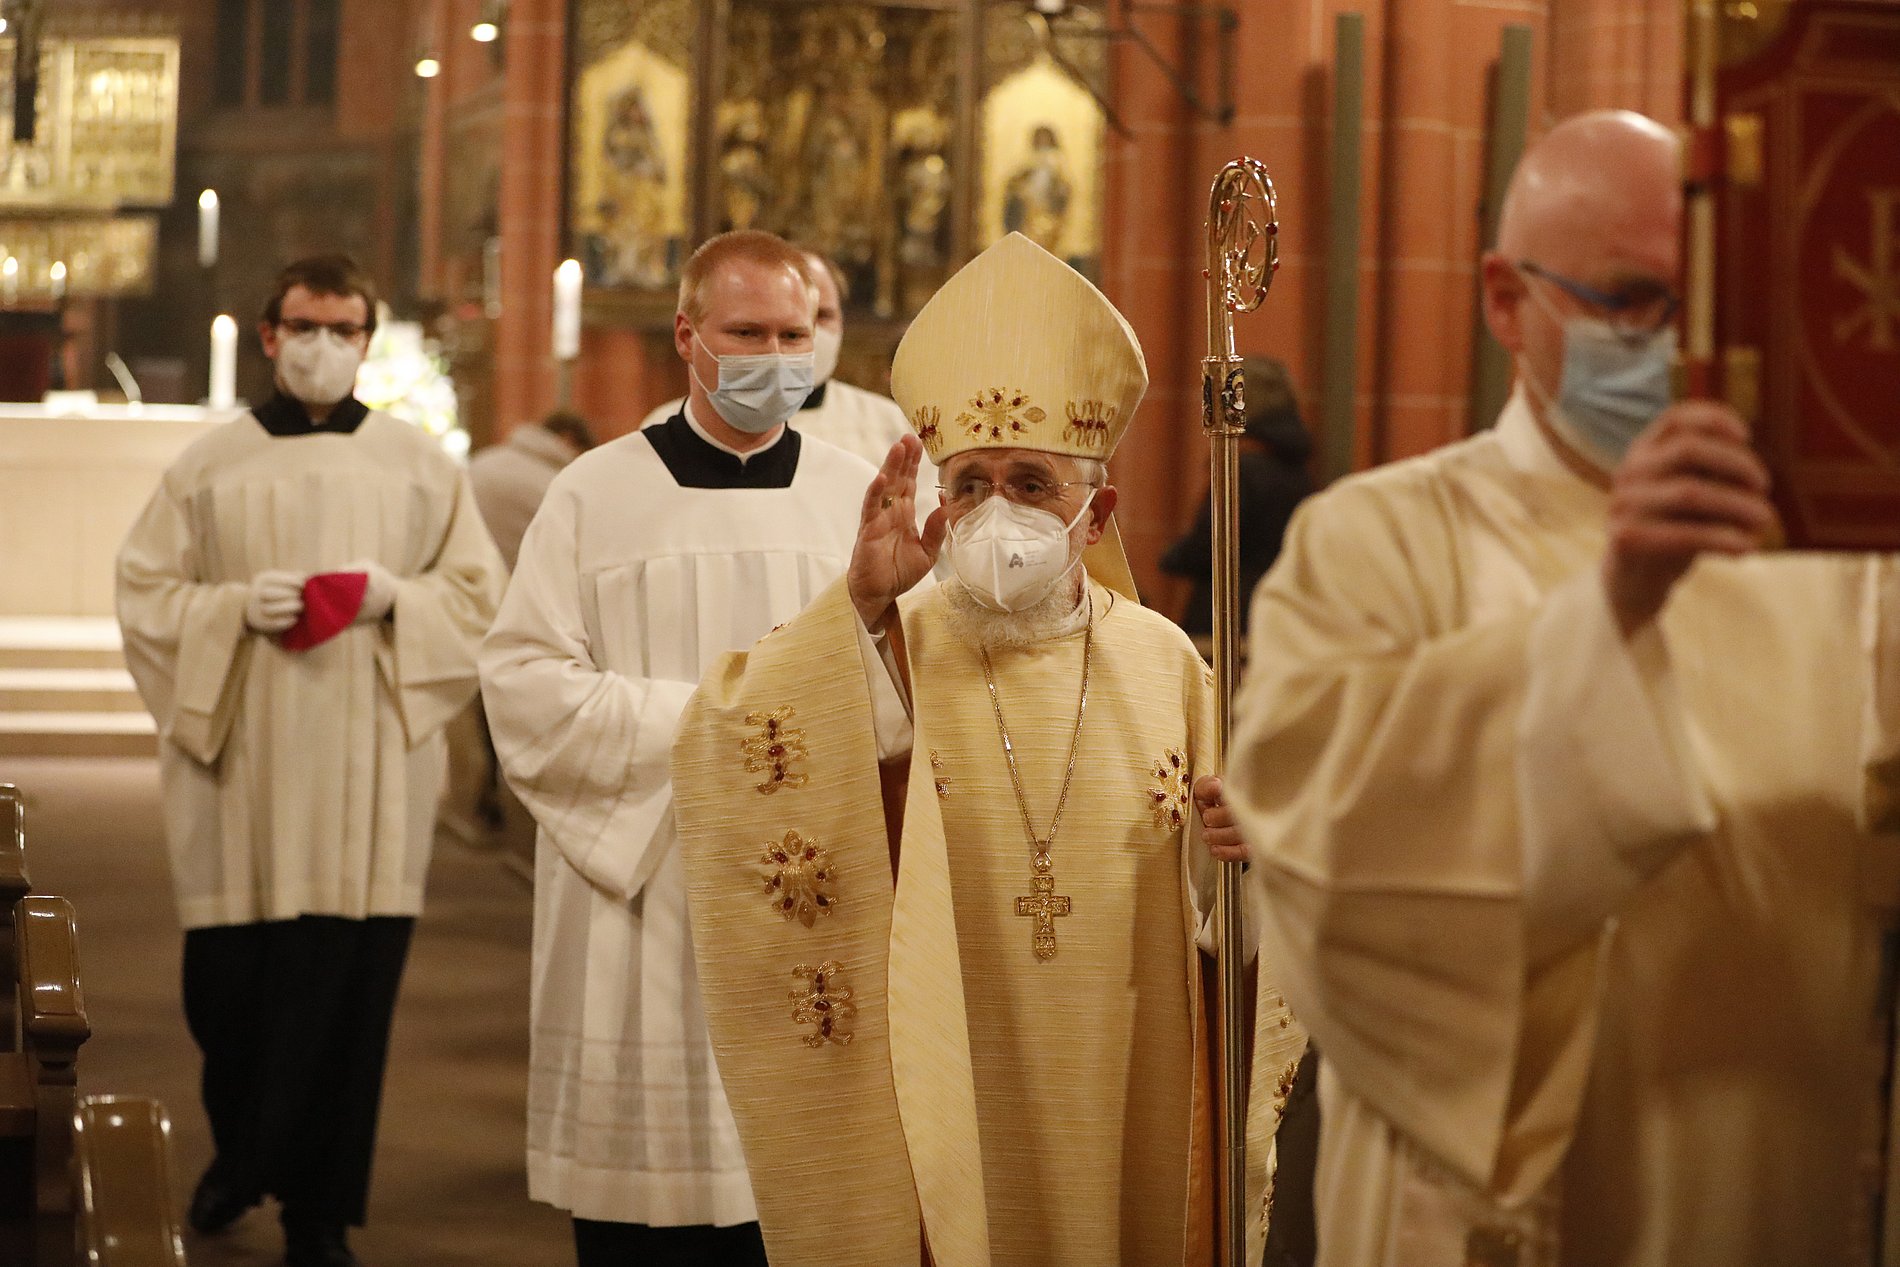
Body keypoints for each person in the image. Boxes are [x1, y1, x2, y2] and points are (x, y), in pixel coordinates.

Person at [1226, 109, 1900, 1266]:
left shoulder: (1840, 558)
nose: (1673, 346)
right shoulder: (1374, 539)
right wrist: (1610, 613)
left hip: (1775, 1177)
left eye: (1702, 309)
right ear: (1502, 297)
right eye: (1631, 303)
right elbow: (1327, 863)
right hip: (1502, 1212)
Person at [667, 233, 1302, 1266]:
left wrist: (1249, 844)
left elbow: (1227, 911)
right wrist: (863, 604)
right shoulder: (889, 646)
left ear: (1093, 510)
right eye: (967, 483)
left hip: (1124, 1067)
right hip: (945, 1064)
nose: (993, 508)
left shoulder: (1165, 665)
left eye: (1029, 480)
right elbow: (729, 744)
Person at [478, 229, 874, 1267]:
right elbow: (522, 684)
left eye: (794, 333)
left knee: (797, 1204)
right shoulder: (594, 493)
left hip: (810, 891)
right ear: (687, 335)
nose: (775, 357)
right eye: (747, 332)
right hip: (644, 889)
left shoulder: (857, 498)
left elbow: (904, 692)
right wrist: (719, 723)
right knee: (643, 1218)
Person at [116, 254, 505, 1267]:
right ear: (269, 334)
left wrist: (395, 597)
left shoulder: (421, 466)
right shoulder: (208, 465)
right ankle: (242, 1153)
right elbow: (147, 597)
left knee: (346, 1002)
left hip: (368, 772)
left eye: (346, 329)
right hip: (241, 764)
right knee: (229, 997)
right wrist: (228, 608)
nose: (326, 346)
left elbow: (479, 601)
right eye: (307, 326)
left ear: (368, 340)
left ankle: (317, 1215)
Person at [639, 250, 938, 517]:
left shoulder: (894, 427)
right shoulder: (667, 428)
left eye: (822, 316)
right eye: (750, 330)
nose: (803, 333)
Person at [1159, 354, 1313, 635]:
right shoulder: (1297, 470)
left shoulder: (1244, 467)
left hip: (1230, 611)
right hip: (1278, 614)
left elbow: (1210, 546)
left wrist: (1172, 557)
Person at [467, 410, 596, 571]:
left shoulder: (484, 459)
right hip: (510, 587)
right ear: (568, 439)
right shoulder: (555, 484)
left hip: (467, 581)